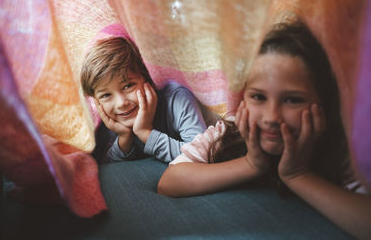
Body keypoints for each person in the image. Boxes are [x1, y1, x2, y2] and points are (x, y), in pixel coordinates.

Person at [157, 21, 371, 239]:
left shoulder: (343, 151)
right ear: (243, 99)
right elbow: (170, 181)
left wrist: (298, 175)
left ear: (323, 104)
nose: (271, 117)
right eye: (258, 97)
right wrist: (251, 164)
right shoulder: (230, 130)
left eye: (292, 100)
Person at [81, 35, 207, 163]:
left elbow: (201, 154)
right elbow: (109, 165)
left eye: (128, 86)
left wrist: (145, 132)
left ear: (147, 77)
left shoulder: (176, 97)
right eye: (106, 95)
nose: (121, 103)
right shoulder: (111, 119)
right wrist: (124, 137)